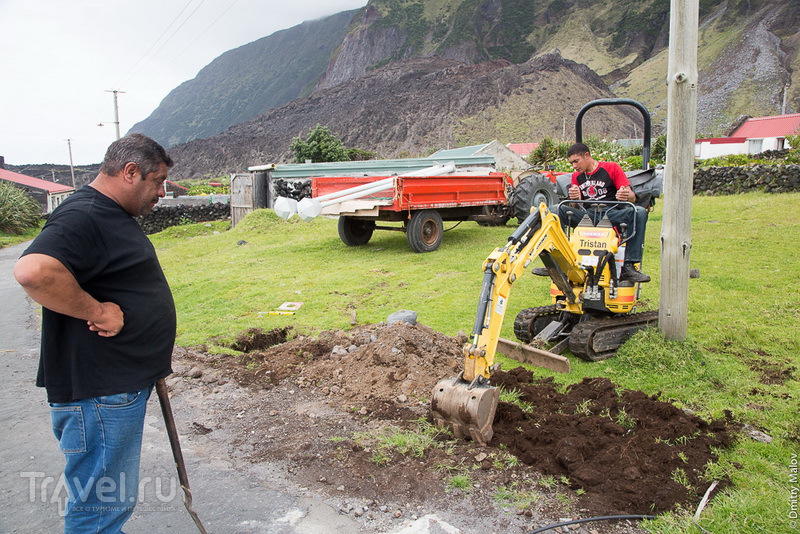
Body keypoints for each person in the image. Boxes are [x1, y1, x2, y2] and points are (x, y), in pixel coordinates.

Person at [14, 133, 176, 533]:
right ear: (130, 172)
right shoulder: (85, 213)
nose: (161, 192)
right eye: (157, 182)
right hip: (100, 393)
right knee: (100, 511)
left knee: (106, 506)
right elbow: (33, 272)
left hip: (113, 387)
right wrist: (97, 309)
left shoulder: (108, 213)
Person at [555, 142, 650, 283]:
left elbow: (632, 196)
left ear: (586, 156)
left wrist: (624, 194)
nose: (574, 166)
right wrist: (575, 198)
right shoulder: (576, 176)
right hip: (587, 214)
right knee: (555, 210)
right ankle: (558, 260)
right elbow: (575, 205)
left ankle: (629, 266)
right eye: (572, 163)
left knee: (640, 212)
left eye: (576, 161)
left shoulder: (611, 168)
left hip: (610, 213)